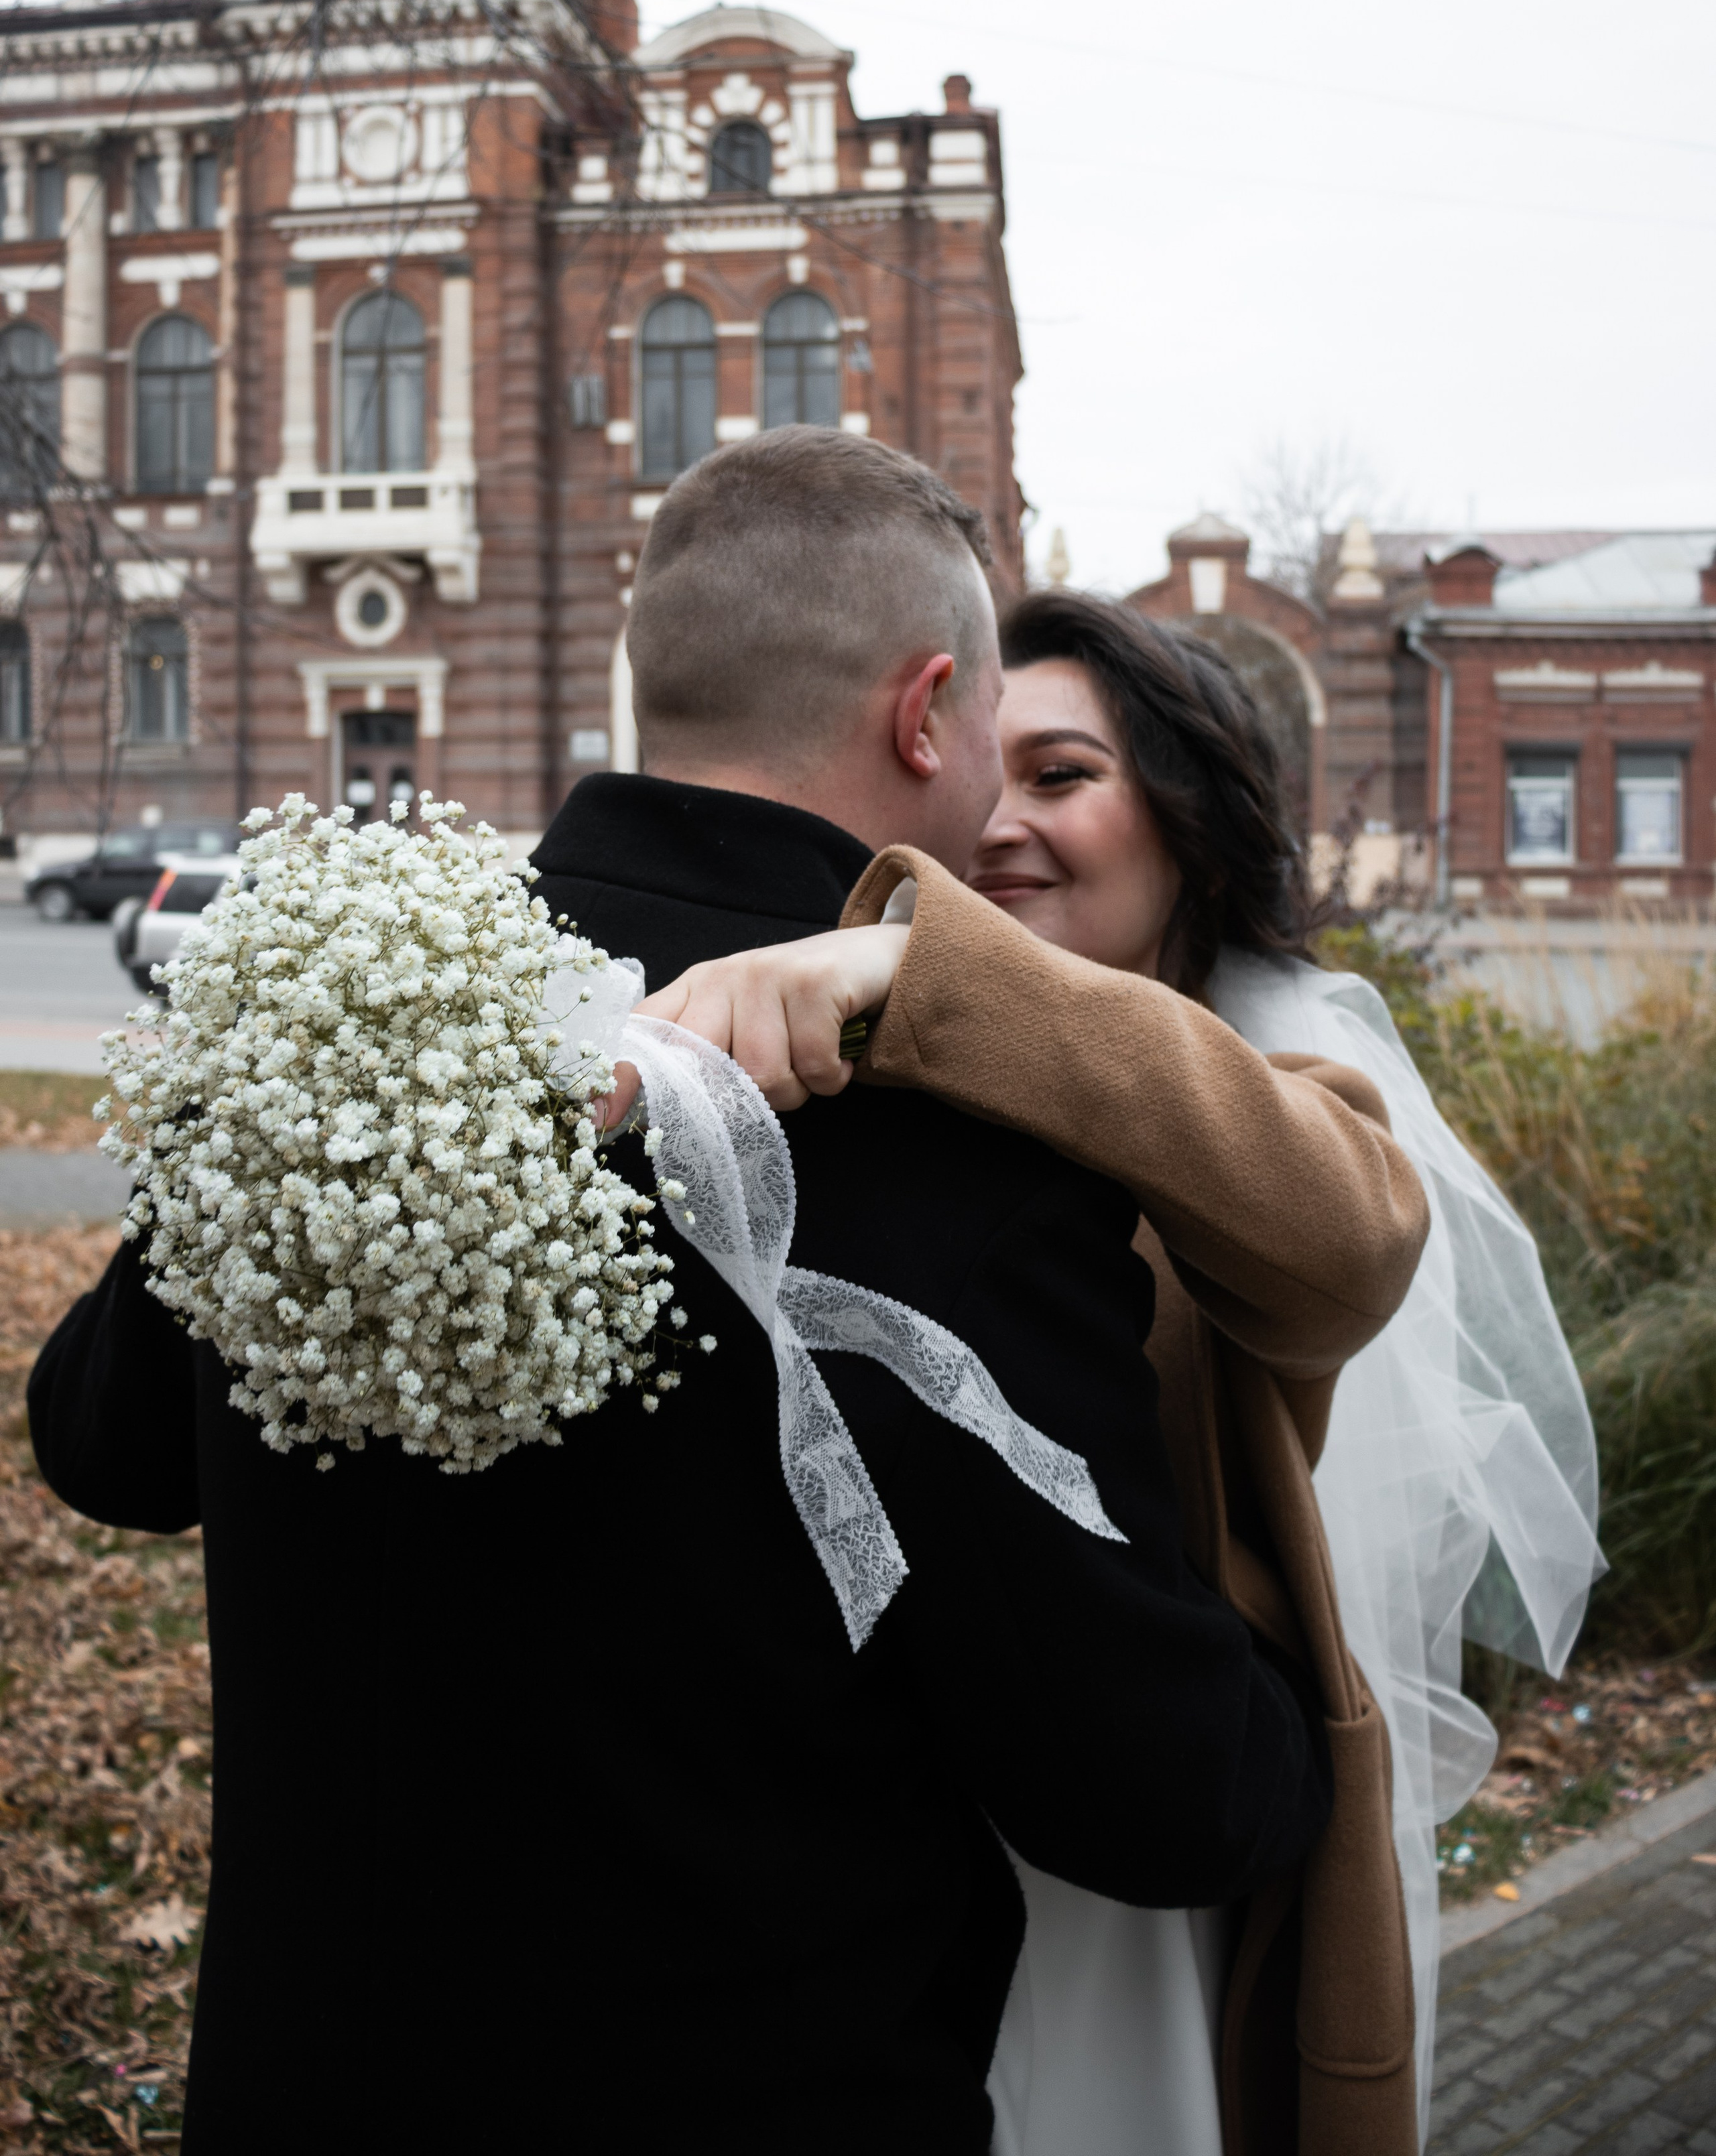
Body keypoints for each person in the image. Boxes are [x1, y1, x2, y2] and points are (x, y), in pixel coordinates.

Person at [29, 436, 1336, 2156]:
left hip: (305, 2091)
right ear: (927, 712)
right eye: (997, 739)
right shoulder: (970, 1164)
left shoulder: (346, 1032)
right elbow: (1166, 1799)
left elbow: (102, 1441)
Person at [639, 588, 1603, 2156]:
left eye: (1064, 775)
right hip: (895, 1865)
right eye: (981, 775)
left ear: (1186, 816)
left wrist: (917, 972)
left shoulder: (1273, 1080)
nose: (1000, 825)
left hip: (1149, 1834)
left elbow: (1343, 1230)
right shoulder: (875, 1081)